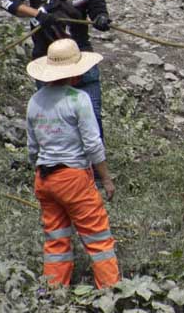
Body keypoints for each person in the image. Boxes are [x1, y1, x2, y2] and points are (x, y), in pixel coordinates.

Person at [26, 38, 120, 289]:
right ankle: (111, 292)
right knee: (97, 236)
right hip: (73, 177)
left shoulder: (35, 101)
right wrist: (107, 179)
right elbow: (92, 144)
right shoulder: (78, 99)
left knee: (56, 240)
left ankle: (54, 292)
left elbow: (32, 147)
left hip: (44, 178)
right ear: (75, 73)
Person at [1, 0, 112, 138]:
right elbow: (7, 0)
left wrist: (101, 19)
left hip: (82, 60)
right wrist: (38, 14)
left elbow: (98, 7)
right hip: (48, 63)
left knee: (93, 127)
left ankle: (95, 171)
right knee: (55, 130)